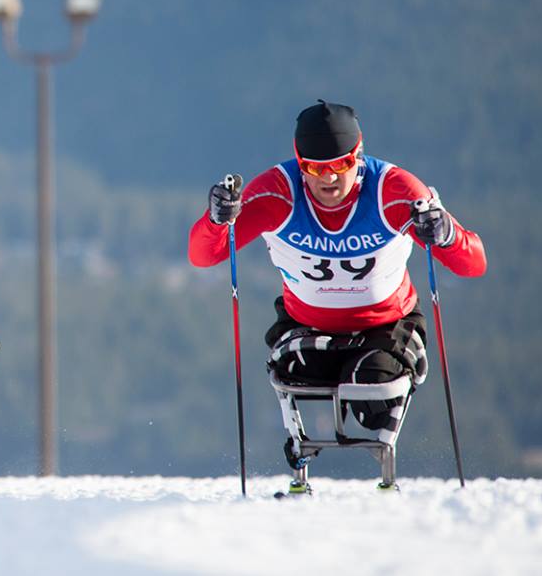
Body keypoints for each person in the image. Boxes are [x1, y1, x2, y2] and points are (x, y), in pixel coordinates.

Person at [188, 100, 486, 477]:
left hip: (386, 326)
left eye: (341, 166)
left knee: (373, 394)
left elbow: (474, 263)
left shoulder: (393, 191)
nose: (328, 179)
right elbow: (204, 256)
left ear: (358, 155)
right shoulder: (277, 195)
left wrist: (443, 232)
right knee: (292, 375)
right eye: (314, 168)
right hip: (306, 325)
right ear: (300, 162)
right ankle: (299, 457)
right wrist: (217, 219)